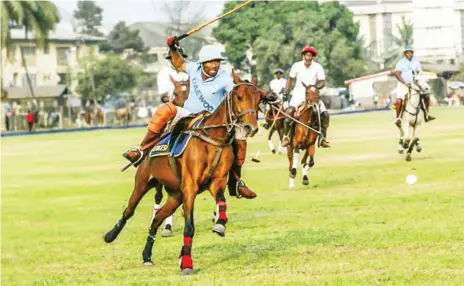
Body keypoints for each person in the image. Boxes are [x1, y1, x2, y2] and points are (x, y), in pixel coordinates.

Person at [122, 39, 256, 199]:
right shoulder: (194, 68)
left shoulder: (224, 80)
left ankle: (237, 182)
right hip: (188, 114)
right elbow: (178, 63)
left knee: (240, 136)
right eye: (210, 62)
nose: (214, 65)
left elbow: (241, 92)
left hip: (213, 122)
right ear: (203, 63)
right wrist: (172, 47)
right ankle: (141, 150)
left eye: (217, 62)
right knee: (165, 109)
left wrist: (260, 94)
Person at [281, 45, 330, 148]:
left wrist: (314, 88)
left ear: (313, 57)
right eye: (306, 55)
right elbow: (290, 80)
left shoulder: (318, 67)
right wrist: (285, 95)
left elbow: (322, 82)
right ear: (303, 55)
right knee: (289, 112)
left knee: (324, 114)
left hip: (312, 97)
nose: (308, 57)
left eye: (310, 55)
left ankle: (322, 138)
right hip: (298, 95)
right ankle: (287, 137)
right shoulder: (296, 66)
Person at [393, 45, 435, 126]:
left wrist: (421, 79)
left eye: (410, 52)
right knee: (399, 100)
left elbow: (419, 72)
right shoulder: (400, 62)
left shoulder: (416, 61)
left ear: (412, 53)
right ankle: (398, 118)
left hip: (414, 84)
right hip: (403, 84)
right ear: (405, 53)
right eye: (407, 52)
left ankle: (427, 114)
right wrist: (404, 83)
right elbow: (397, 74)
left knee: (426, 96)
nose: (409, 54)